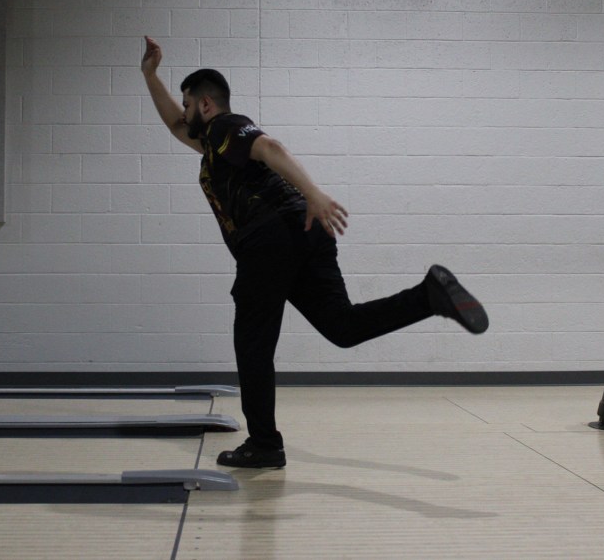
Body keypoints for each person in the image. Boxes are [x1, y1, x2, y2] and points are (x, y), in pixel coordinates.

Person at [140, 36, 488, 468]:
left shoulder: (225, 127)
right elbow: (176, 128)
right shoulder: (213, 145)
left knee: (252, 343)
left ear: (206, 104)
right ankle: (429, 296)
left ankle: (264, 444)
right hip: (304, 234)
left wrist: (314, 192)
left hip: (271, 237)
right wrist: (150, 75)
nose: (183, 111)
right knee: (342, 326)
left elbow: (270, 147)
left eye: (187, 103)